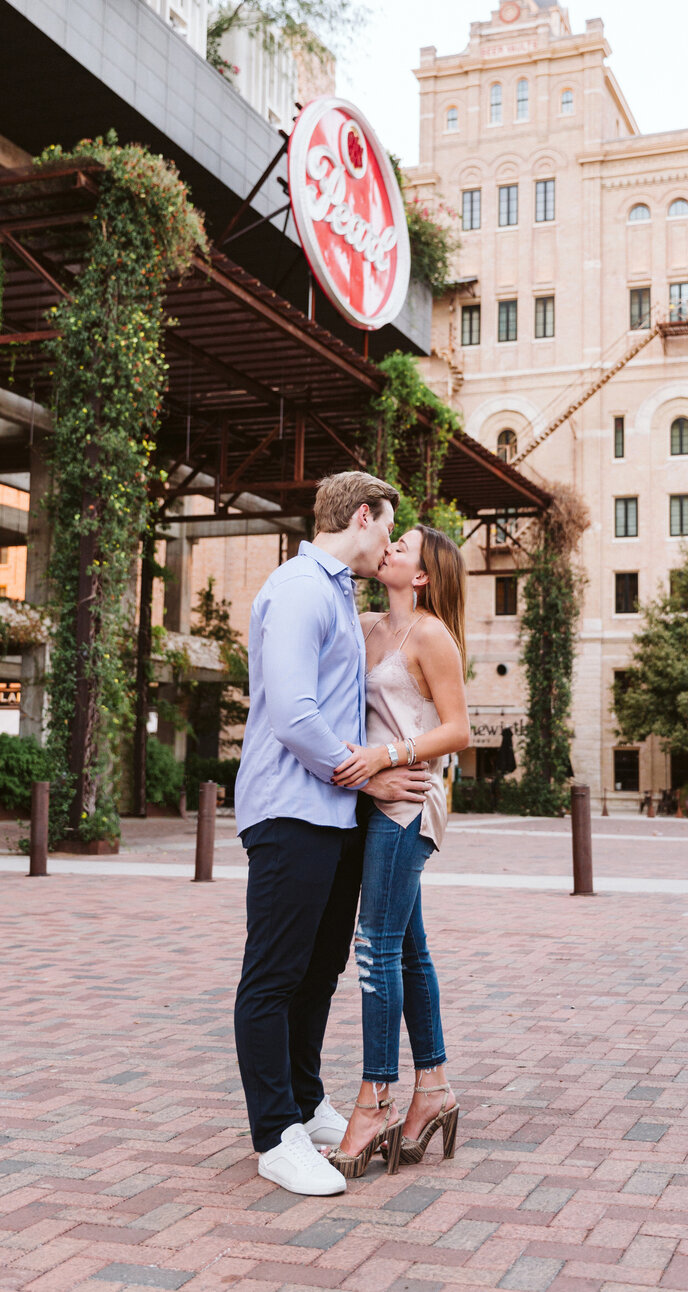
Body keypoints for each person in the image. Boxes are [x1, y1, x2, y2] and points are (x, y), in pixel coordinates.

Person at [233, 472, 432, 1197]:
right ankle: (273, 1134)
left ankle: (306, 1104)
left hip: (330, 812)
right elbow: (293, 711)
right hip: (290, 810)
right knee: (275, 975)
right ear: (363, 516)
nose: (389, 542)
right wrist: (371, 777)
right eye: (389, 526)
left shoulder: (337, 594)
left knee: (319, 973)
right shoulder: (298, 588)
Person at [326, 524, 471, 1178]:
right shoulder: (366, 623)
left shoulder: (431, 635)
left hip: (408, 801)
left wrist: (390, 754)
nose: (388, 549)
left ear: (422, 576)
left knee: (375, 946)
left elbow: (458, 730)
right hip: (369, 800)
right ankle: (434, 1089)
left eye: (402, 547)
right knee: (407, 949)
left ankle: (376, 1096)